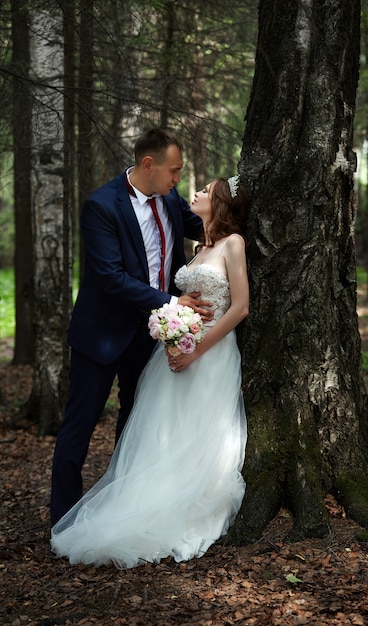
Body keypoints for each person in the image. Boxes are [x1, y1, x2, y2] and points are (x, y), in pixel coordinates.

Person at [50, 174, 250, 568]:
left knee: (194, 431)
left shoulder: (230, 241)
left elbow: (239, 307)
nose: (188, 187)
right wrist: (175, 333)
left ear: (221, 202)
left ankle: (181, 503)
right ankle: (80, 513)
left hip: (208, 354)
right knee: (156, 429)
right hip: (163, 350)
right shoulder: (195, 245)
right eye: (177, 174)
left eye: (205, 190)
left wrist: (193, 349)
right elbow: (114, 275)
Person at [50, 128, 212, 527]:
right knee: (81, 423)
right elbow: (109, 277)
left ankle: (121, 505)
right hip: (101, 334)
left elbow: (204, 226)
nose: (177, 180)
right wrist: (174, 303)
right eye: (173, 171)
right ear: (148, 165)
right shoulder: (101, 206)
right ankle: (63, 518)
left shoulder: (170, 198)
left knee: (137, 419)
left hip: (150, 334)